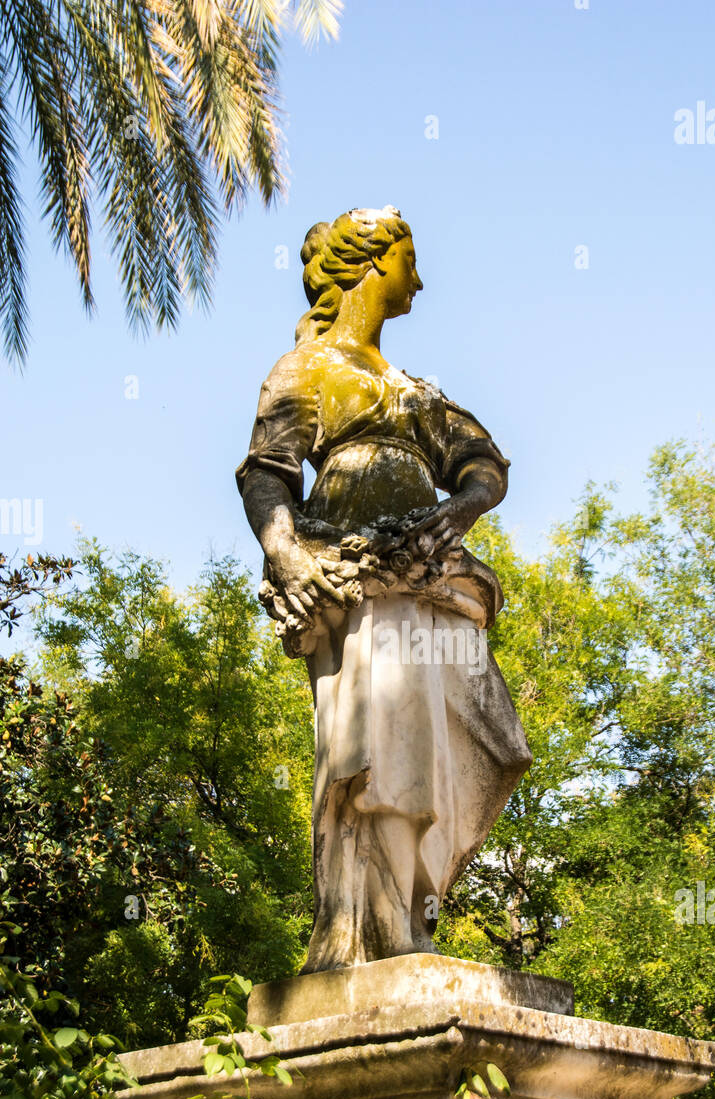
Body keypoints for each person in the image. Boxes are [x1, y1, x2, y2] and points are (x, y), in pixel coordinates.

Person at [238, 206, 531, 972]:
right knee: (383, 743)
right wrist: (288, 557)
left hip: (430, 578)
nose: (420, 279)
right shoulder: (306, 369)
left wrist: (457, 510)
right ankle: (376, 931)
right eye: (409, 259)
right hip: (352, 579)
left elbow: (484, 467)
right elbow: (269, 475)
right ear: (372, 262)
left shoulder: (412, 391)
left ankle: (410, 916)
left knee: (466, 738)